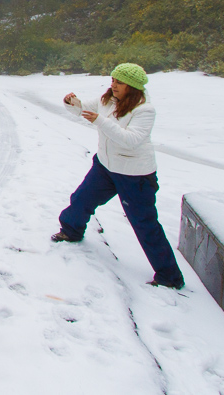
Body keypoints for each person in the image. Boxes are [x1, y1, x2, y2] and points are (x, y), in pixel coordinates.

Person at [51, 63, 185, 290]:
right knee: (81, 199)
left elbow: (130, 140)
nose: (113, 85)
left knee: (144, 224)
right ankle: (71, 231)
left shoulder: (144, 110)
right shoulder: (107, 100)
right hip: (105, 166)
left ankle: (169, 276)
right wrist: (71, 103)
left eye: (119, 82)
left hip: (135, 175)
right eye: (113, 80)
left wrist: (99, 121)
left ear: (132, 87)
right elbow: (84, 109)